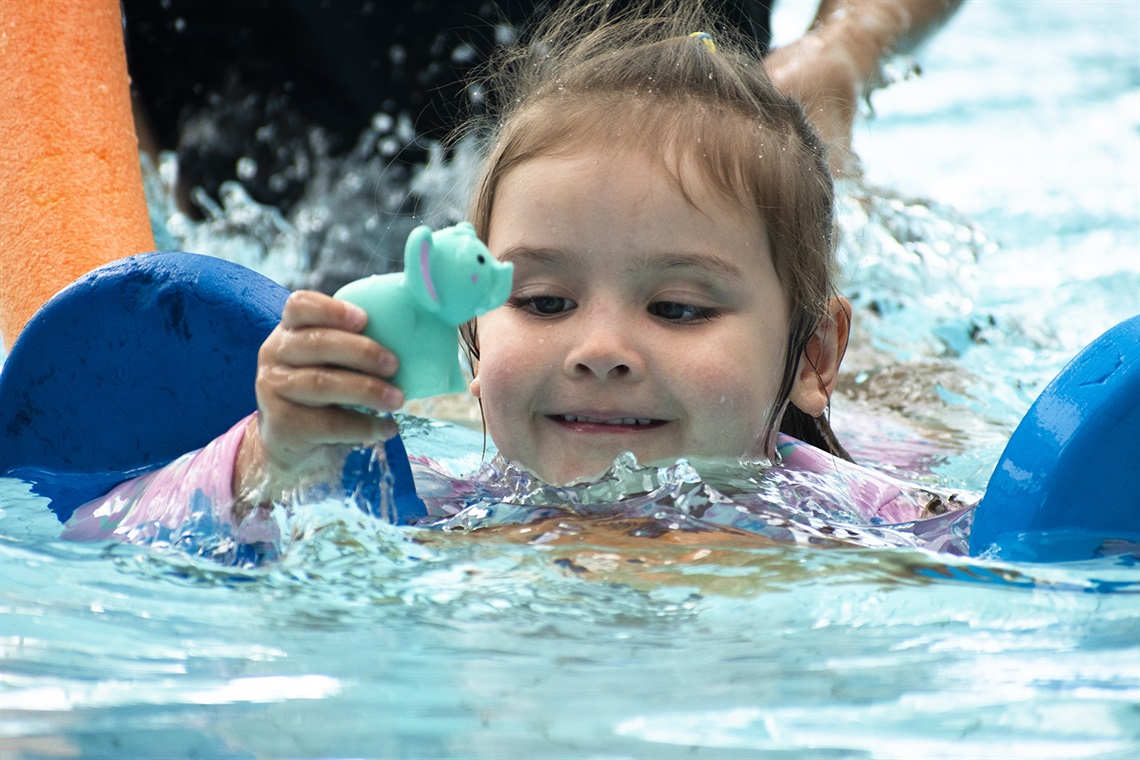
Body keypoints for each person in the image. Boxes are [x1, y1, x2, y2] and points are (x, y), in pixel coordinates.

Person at [62, 0, 966, 550]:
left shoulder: (863, 516)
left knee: (912, 394)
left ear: (812, 354)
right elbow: (100, 529)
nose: (600, 350)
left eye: (678, 308)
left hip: (870, 423)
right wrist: (278, 454)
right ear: (471, 337)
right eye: (543, 302)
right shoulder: (443, 494)